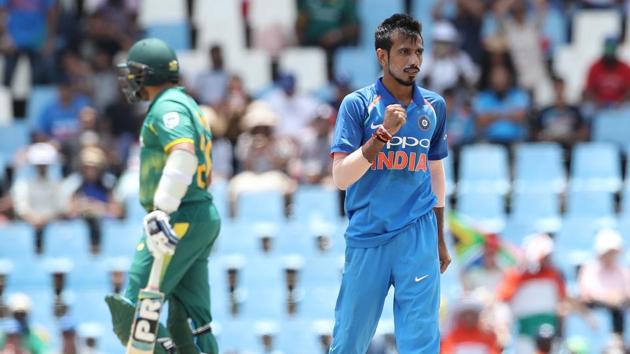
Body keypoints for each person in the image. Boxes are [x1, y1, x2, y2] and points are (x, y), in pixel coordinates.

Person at [329, 14, 450, 353]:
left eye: (419, 52)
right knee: (349, 340)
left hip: (418, 233)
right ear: (382, 56)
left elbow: (435, 172)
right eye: (404, 52)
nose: (414, 61)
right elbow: (340, 178)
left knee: (422, 341)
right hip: (369, 235)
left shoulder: (434, 106)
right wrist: (382, 134)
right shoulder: (357, 105)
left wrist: (439, 238)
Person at [104, 38, 221, 354]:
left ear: (149, 74)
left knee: (133, 312)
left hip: (177, 217)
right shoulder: (189, 105)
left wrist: (161, 210)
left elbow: (183, 153)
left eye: (135, 72)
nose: (131, 79)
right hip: (199, 214)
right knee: (192, 320)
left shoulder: (167, 106)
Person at [496, 233, 567, 354]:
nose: (548, 260)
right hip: (525, 336)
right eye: (545, 256)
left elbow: (562, 303)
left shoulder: (554, 275)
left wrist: (561, 329)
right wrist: (504, 328)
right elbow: (503, 301)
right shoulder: (515, 276)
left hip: (550, 335)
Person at [11, 143, 66, 254]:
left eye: (44, 165)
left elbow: (60, 207)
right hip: (28, 227)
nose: (42, 168)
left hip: (52, 228)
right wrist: (33, 218)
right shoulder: (24, 183)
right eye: (39, 165)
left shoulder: (56, 184)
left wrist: (44, 219)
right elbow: (21, 207)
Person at [578, 228, 630, 336]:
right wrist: (608, 297)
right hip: (596, 311)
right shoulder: (589, 269)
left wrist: (619, 297)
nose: (611, 255)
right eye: (609, 252)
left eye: (614, 252)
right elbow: (586, 294)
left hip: (620, 310)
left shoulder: (623, 270)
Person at [473, 64, 530, 144]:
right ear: (490, 78)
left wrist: (493, 115)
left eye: (502, 76)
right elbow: (481, 120)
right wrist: (509, 114)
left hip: (516, 142)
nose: (499, 80)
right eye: (496, 77)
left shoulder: (519, 95)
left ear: (509, 77)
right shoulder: (482, 97)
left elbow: (521, 116)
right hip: (490, 143)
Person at [535, 76, 588, 147]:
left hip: (569, 145)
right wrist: (544, 137)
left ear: (565, 88)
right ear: (553, 89)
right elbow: (537, 132)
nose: (559, 91)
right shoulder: (545, 111)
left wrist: (574, 137)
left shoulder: (574, 111)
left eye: (561, 87)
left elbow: (583, 131)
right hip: (549, 145)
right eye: (557, 88)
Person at [584, 36, 630, 109]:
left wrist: (620, 103)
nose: (610, 52)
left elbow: (628, 90)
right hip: (598, 106)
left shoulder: (625, 68)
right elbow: (588, 90)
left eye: (612, 48)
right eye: (608, 48)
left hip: (620, 107)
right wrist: (598, 102)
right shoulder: (594, 67)